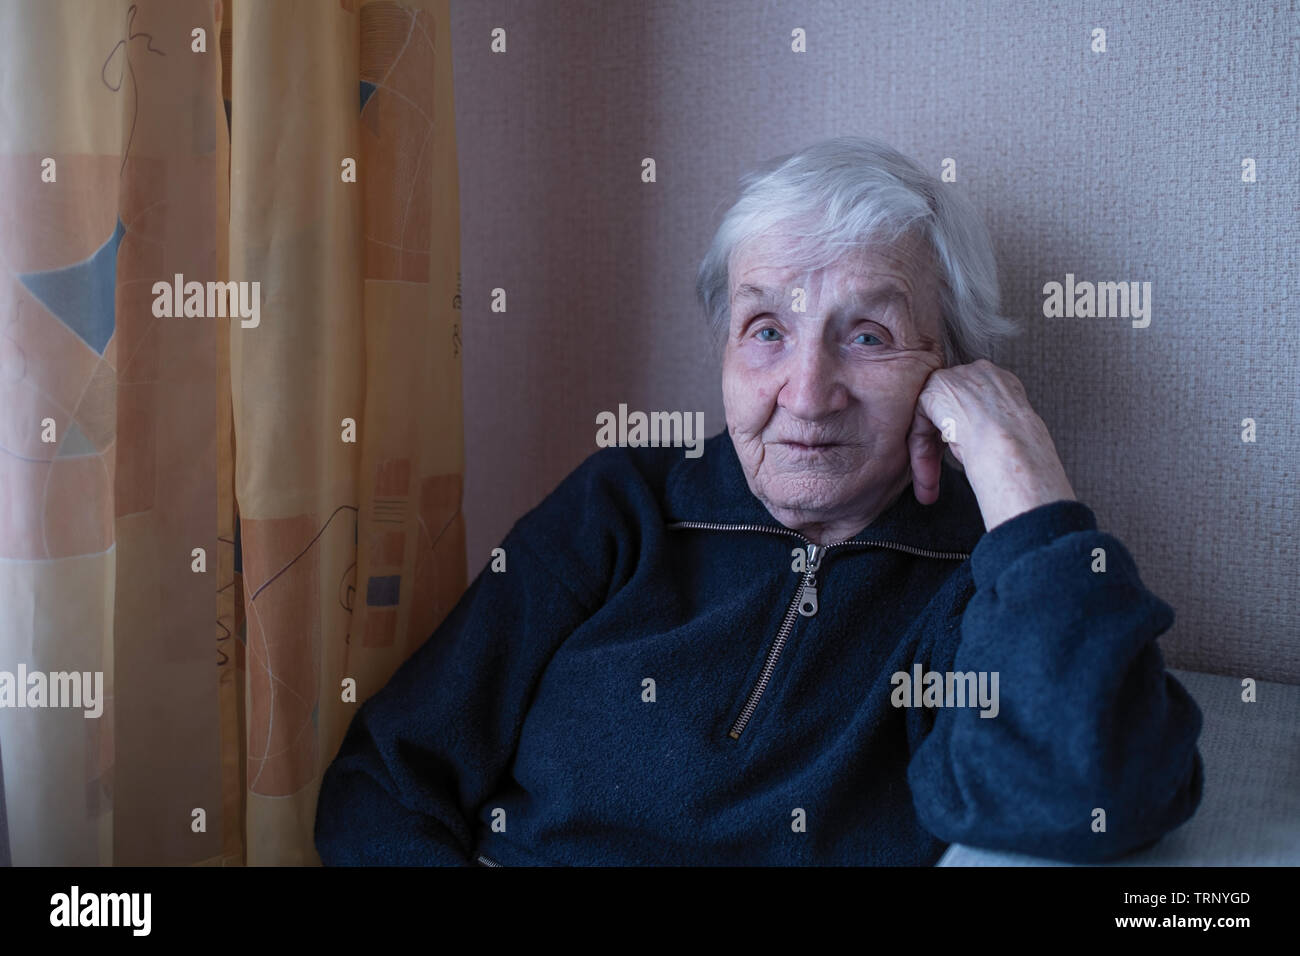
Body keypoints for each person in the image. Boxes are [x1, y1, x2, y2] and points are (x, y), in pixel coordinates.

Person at [313, 136, 1204, 866]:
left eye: (869, 336)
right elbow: (387, 776)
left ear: (951, 372)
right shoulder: (619, 507)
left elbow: (1088, 793)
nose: (807, 394)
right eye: (767, 329)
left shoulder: (978, 587)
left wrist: (1018, 469)